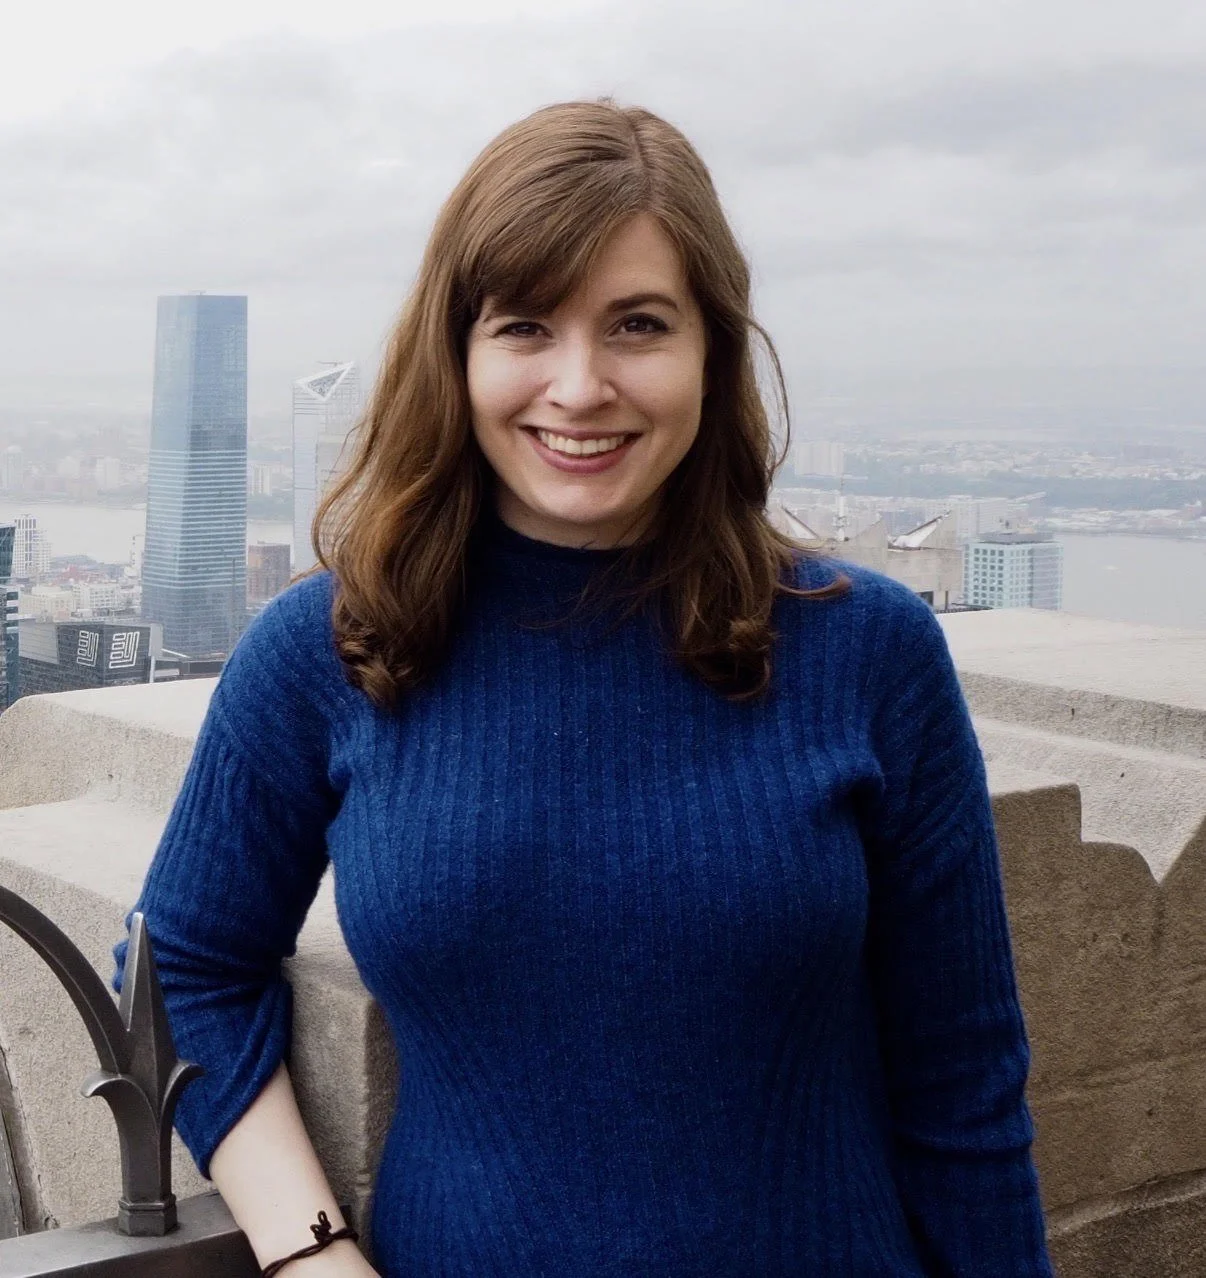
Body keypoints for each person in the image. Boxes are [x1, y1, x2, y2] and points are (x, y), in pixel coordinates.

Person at [116, 99, 1054, 1276]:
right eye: (524, 327)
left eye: (637, 327)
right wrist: (311, 1254)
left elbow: (964, 1084)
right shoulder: (334, 646)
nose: (579, 385)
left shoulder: (868, 650)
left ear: (710, 350)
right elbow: (183, 961)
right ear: (457, 353)